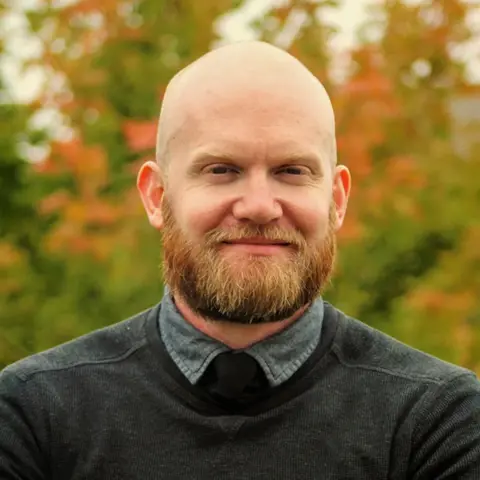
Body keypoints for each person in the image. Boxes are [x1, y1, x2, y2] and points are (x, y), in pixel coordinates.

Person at [1, 41, 479, 480]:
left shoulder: (438, 421)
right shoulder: (34, 414)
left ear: (337, 199)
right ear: (156, 196)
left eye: (291, 171)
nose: (258, 205)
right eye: (221, 170)